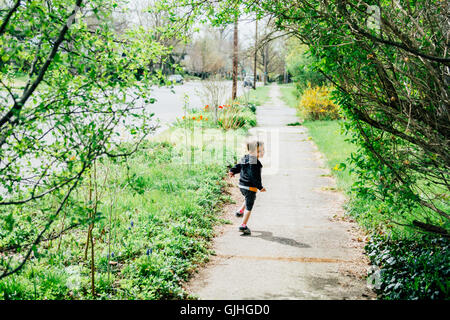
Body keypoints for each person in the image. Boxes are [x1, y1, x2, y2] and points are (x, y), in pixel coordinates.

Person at [228, 140, 266, 235]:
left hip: (242, 185)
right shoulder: (254, 163)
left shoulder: (245, 158)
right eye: (259, 151)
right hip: (249, 187)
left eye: (262, 150)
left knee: (248, 197)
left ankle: (240, 211)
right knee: (249, 207)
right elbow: (253, 176)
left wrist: (232, 170)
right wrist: (260, 187)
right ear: (251, 152)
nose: (262, 152)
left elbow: (239, 166)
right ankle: (243, 225)